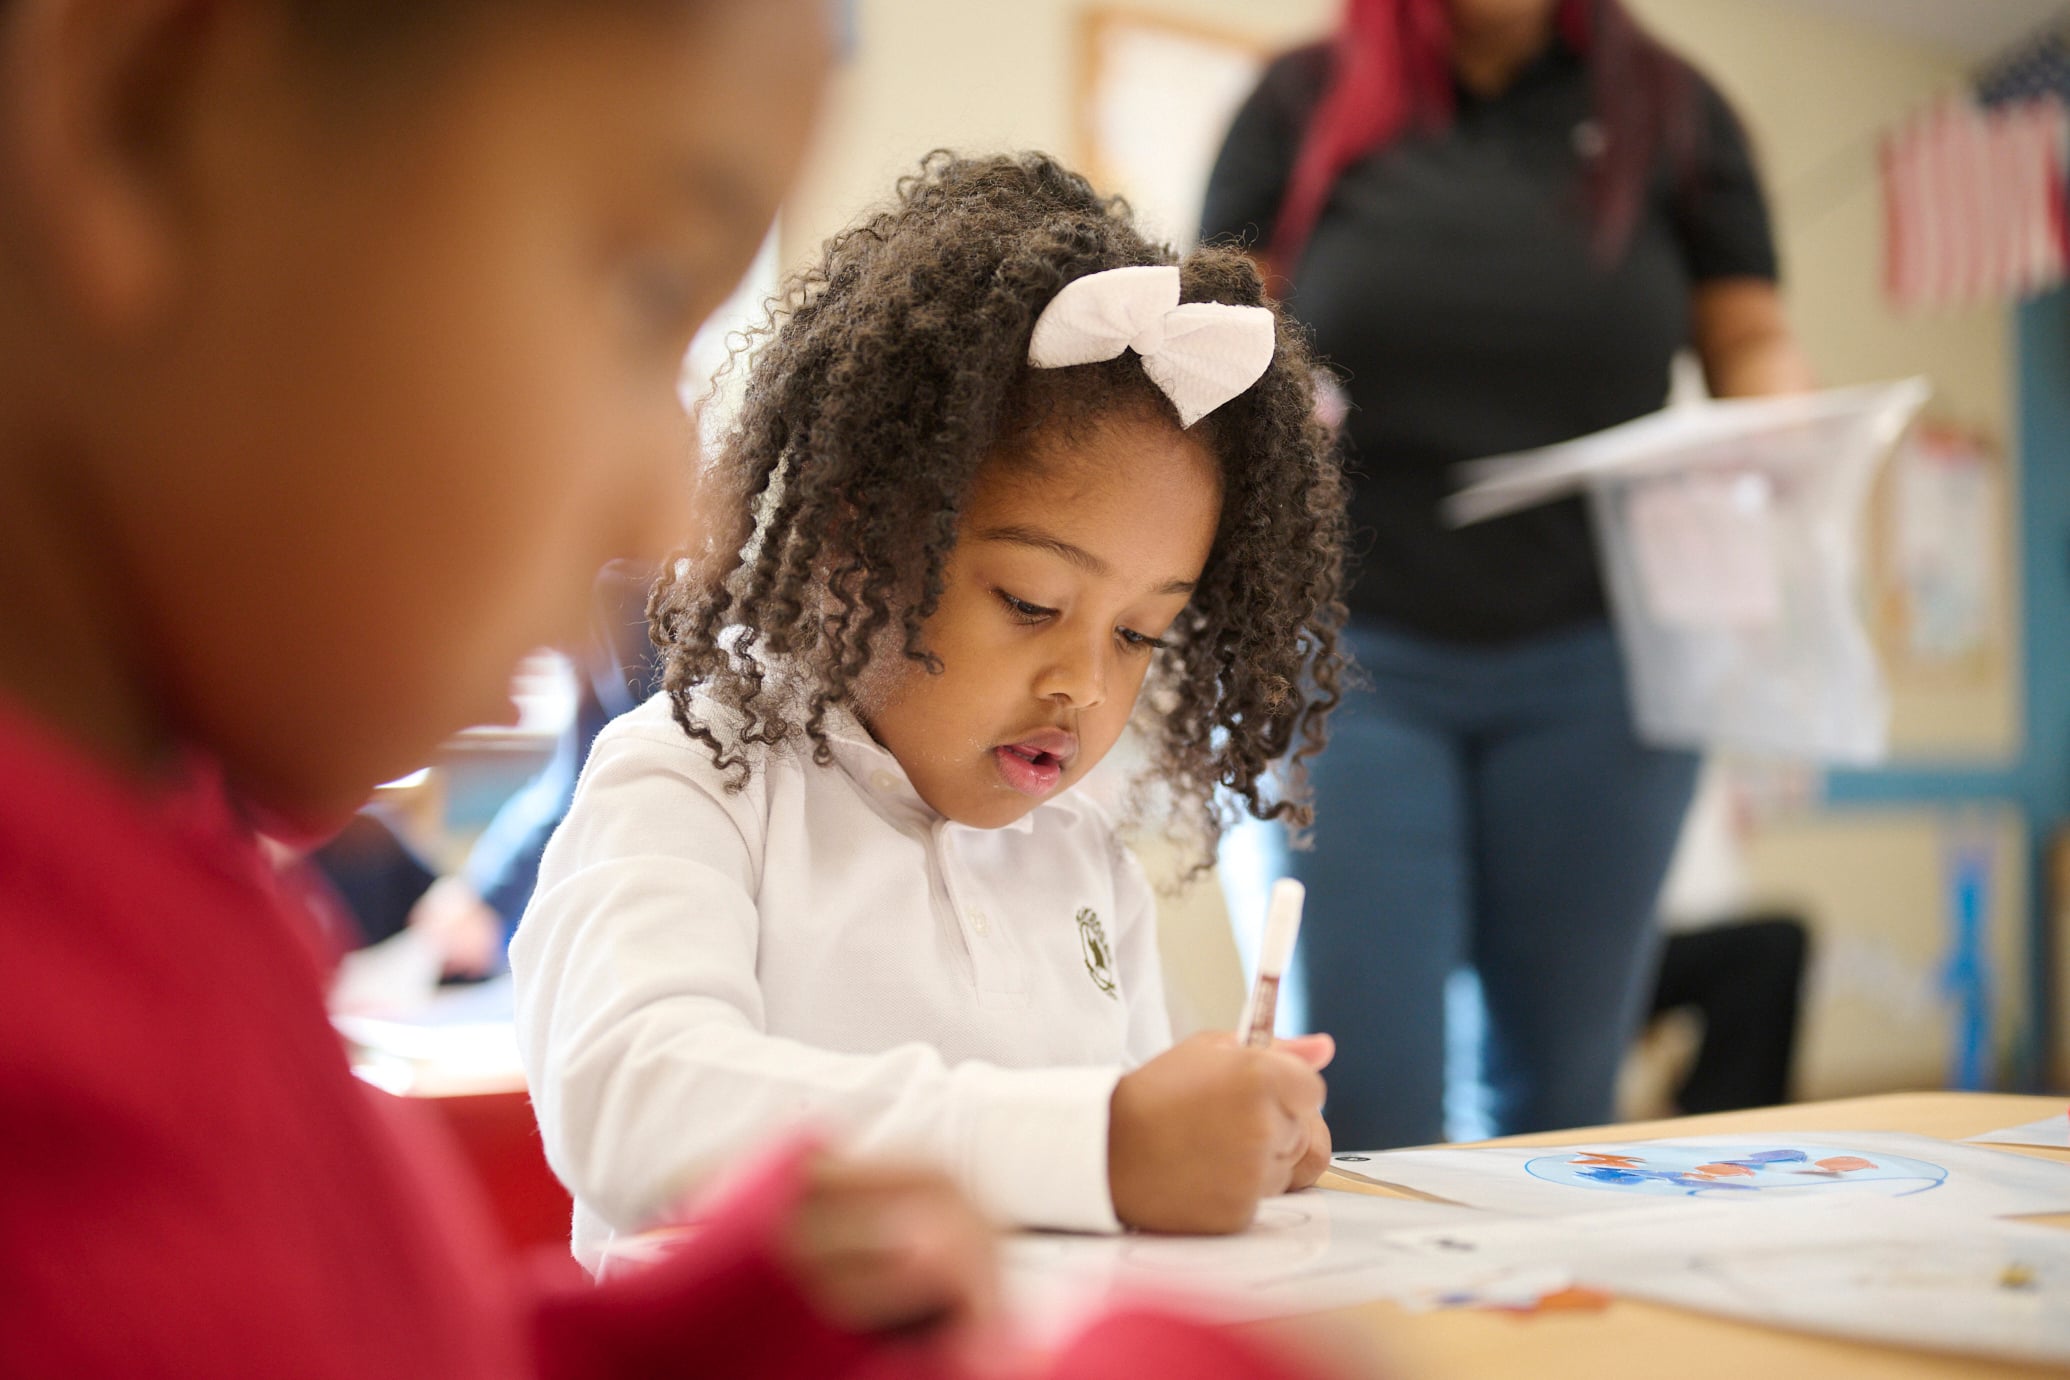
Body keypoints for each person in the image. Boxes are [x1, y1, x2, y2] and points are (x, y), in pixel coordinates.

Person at [0, 4, 1334, 1377]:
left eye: (1143, 637)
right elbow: (638, 1098)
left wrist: (699, 1329)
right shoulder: (62, 1033)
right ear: (144, 116)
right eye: (646, 293)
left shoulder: (185, 921)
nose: (671, 515)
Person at [511, 151, 1352, 1263]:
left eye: (1141, 633)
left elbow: (1131, 1174)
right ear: (860, 537)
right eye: (1030, 601)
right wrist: (1099, 1147)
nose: (1085, 685)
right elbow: (636, 1104)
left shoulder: (1080, 856)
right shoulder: (693, 781)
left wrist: (1219, 1147)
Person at [1201, 0, 1816, 1149]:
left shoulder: (1675, 112)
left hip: (1602, 664)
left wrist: (1787, 424)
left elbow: (1749, 340)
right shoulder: (1300, 100)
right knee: (1360, 1097)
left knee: (1562, 1105)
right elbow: (1223, 326)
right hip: (1344, 654)